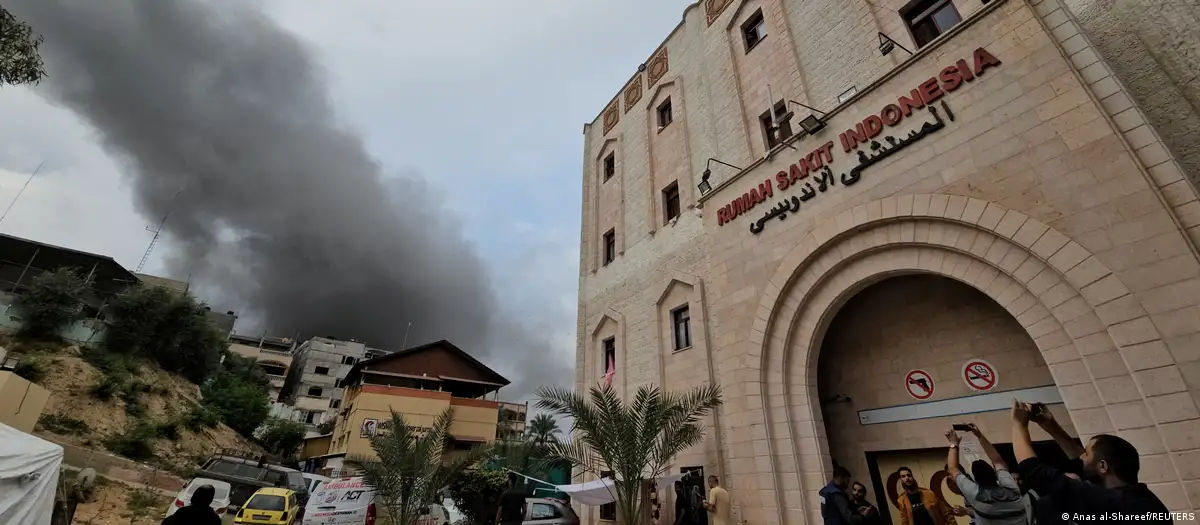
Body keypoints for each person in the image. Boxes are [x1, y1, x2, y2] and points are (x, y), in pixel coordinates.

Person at [1011, 399, 1171, 523]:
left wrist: (1019, 425)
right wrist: (1052, 427)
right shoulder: (1145, 502)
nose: (1081, 457)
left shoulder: (1107, 503)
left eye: (1086, 453)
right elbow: (1084, 461)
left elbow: (1033, 470)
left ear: (1103, 466)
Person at [946, 425, 1028, 525]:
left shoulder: (975, 494)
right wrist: (980, 436)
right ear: (994, 474)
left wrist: (953, 444)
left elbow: (953, 469)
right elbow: (998, 461)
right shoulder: (1012, 488)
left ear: (976, 480)